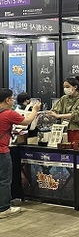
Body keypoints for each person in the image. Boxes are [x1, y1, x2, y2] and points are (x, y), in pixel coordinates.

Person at [0, 88, 41, 218]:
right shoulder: (8, 113)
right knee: (4, 180)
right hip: (2, 151)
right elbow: (27, 121)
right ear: (7, 100)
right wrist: (35, 110)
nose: (13, 100)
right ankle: (4, 208)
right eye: (12, 98)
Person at [48, 76, 79, 144]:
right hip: (65, 130)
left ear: (75, 87)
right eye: (64, 87)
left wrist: (59, 116)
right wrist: (49, 113)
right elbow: (54, 109)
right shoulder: (64, 98)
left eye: (67, 87)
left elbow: (78, 115)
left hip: (78, 130)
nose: (65, 89)